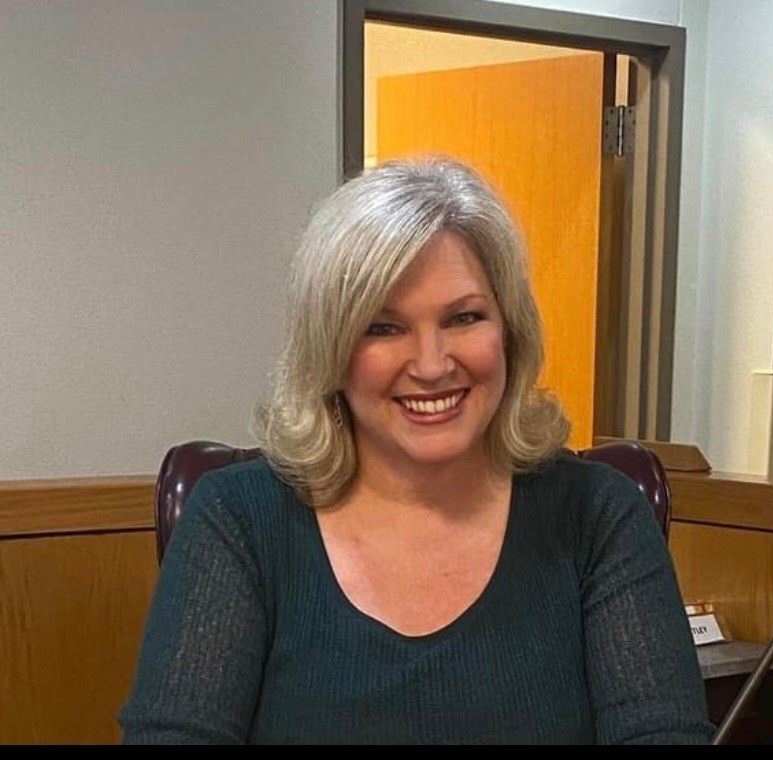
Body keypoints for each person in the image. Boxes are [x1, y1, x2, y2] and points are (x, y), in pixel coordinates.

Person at [120, 157, 714, 744]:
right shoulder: (237, 519)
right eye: (383, 327)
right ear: (332, 349)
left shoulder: (599, 514)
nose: (431, 365)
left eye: (464, 317)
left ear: (509, 331)